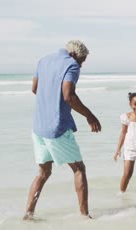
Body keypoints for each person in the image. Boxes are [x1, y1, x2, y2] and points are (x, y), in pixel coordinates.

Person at [23, 40, 101, 220]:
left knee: (43, 173)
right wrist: (90, 116)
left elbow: (35, 88)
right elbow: (69, 95)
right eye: (82, 61)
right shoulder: (71, 65)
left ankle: (28, 213)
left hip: (39, 127)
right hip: (56, 127)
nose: (81, 65)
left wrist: (50, 98)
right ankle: (84, 216)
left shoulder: (43, 61)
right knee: (79, 168)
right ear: (74, 55)